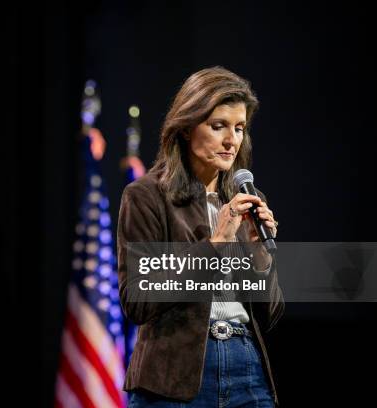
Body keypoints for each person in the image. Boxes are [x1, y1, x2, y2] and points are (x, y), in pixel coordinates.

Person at [117, 66, 284, 407]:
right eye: (218, 125)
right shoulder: (146, 196)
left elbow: (271, 314)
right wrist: (215, 243)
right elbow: (138, 300)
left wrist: (259, 254)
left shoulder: (247, 200)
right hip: (175, 375)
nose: (231, 140)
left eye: (239, 128)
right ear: (186, 127)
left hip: (246, 368)